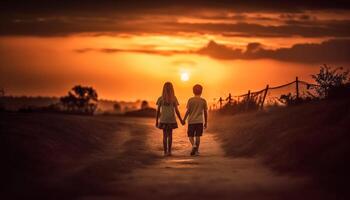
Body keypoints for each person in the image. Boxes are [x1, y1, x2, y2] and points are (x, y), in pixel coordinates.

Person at [156, 82, 183, 156]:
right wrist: (181, 120)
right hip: (171, 119)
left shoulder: (160, 98)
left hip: (163, 119)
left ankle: (165, 152)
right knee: (170, 136)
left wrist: (156, 121)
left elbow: (158, 111)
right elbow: (177, 111)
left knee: (164, 136)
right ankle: (169, 152)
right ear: (172, 89)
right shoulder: (173, 98)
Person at [182, 84, 208, 156]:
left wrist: (183, 119)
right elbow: (205, 112)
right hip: (199, 121)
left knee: (190, 136)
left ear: (193, 91)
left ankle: (193, 145)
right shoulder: (203, 101)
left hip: (191, 121)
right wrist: (206, 122)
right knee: (198, 136)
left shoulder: (190, 100)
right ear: (201, 91)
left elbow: (188, 111)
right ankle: (196, 151)